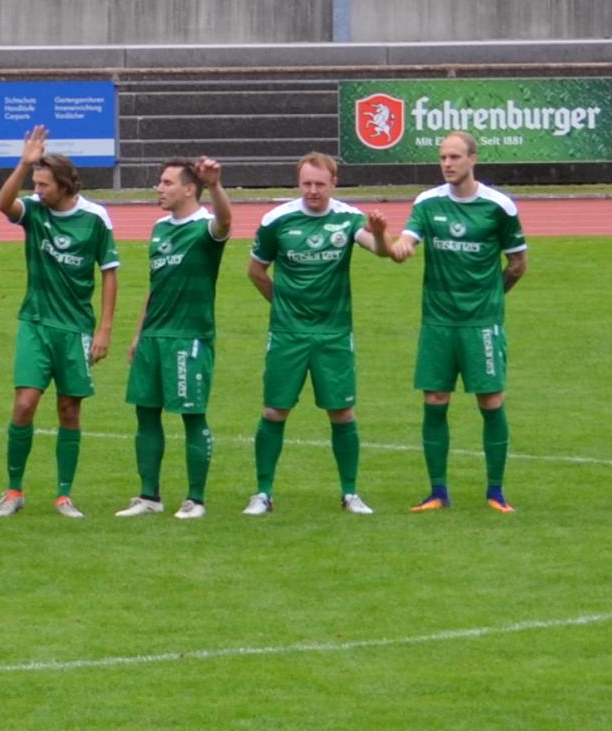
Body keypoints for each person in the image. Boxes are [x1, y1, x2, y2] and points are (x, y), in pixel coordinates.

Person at [246, 151, 402, 516]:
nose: (313, 191)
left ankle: (350, 493)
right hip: (288, 334)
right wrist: (283, 306)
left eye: (320, 184)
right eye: (306, 184)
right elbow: (256, 271)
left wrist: (380, 234)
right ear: (298, 183)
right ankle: (263, 493)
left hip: (334, 334)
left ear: (334, 183)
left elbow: (382, 252)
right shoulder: (277, 221)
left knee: (342, 412)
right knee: (274, 411)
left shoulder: (348, 218)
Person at [0, 126, 118, 519]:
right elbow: (3, 204)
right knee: (24, 403)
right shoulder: (34, 211)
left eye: (44, 184)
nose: (38, 189)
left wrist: (104, 329)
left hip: (76, 328)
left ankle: (64, 495)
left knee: (69, 411)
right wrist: (23, 163)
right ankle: (13, 490)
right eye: (36, 182)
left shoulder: (95, 217)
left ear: (64, 185)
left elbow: (109, 273)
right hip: (35, 322)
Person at [402, 129, 529, 512]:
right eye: (443, 157)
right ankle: (437, 492)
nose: (447, 164)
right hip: (438, 323)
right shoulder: (427, 203)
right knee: (434, 399)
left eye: (454, 157)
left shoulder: (498, 207)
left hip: (481, 324)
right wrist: (399, 245)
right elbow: (407, 240)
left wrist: (490, 297)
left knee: (490, 401)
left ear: (473, 159)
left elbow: (518, 264)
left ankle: (496, 492)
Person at [118, 156, 235, 520]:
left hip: (188, 338)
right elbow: (155, 287)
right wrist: (139, 333)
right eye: (160, 182)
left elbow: (226, 221)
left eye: (167, 183)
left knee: (192, 415)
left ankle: (195, 500)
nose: (159, 188)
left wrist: (215, 185)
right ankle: (149, 496)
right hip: (153, 337)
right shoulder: (159, 228)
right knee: (145, 414)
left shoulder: (205, 227)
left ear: (189, 189)